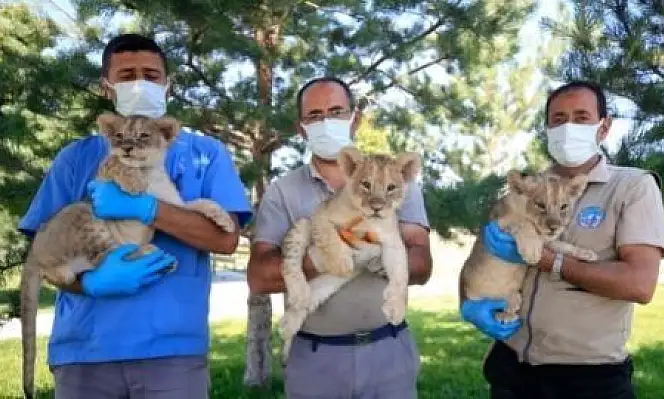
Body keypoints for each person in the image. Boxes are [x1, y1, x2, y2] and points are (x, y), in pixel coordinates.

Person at [18, 33, 253, 399]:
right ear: (107, 87)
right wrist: (89, 284)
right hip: (86, 349)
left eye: (151, 74)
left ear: (167, 84)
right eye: (127, 75)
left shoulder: (206, 153)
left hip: (173, 350)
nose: (140, 83)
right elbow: (42, 255)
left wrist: (149, 208)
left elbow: (225, 239)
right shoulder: (74, 158)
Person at [460, 80, 664, 399]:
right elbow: (480, 258)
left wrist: (551, 261)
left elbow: (640, 284)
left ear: (604, 126)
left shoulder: (632, 187)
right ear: (547, 129)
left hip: (587, 377)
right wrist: (467, 305)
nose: (569, 127)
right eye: (558, 119)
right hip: (511, 366)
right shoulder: (526, 190)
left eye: (582, 117)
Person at [247, 76, 433, 398]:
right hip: (315, 357)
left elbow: (421, 266)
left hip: (387, 348)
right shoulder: (283, 191)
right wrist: (325, 256)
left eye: (336, 111)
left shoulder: (396, 181)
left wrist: (373, 256)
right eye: (314, 116)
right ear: (301, 128)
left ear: (355, 118)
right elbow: (260, 277)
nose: (325, 122)